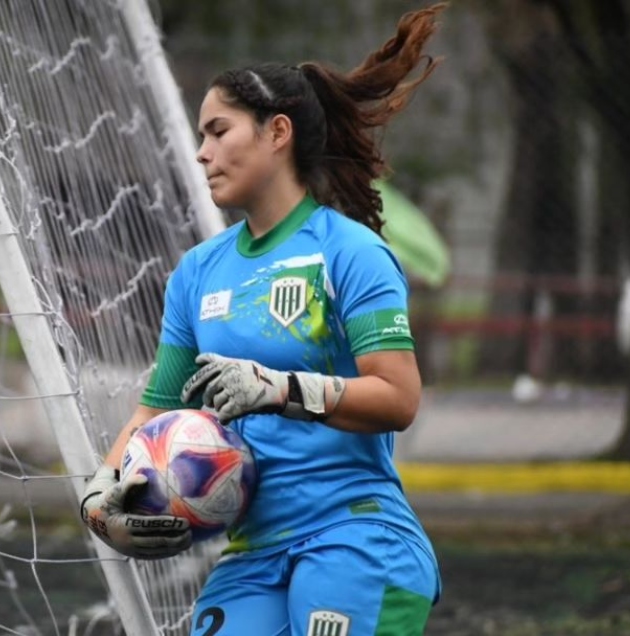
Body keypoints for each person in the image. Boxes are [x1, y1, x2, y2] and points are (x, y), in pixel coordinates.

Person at [79, 4, 448, 634]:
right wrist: (102, 496)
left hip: (353, 534)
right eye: (201, 136)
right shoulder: (197, 272)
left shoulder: (349, 252)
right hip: (252, 551)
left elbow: (399, 396)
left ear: (278, 133)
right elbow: (153, 413)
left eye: (219, 131)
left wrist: (280, 390)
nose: (202, 153)